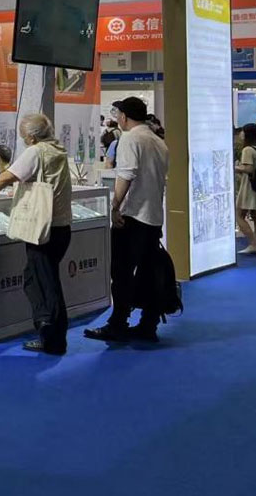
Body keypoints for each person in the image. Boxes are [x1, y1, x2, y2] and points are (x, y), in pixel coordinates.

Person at [0, 113, 73, 355]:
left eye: (23, 137)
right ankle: (53, 334)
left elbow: (7, 177)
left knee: (43, 285)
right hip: (61, 227)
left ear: (31, 137)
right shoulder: (58, 150)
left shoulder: (36, 152)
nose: (23, 140)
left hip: (42, 229)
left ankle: (52, 338)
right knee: (43, 279)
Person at [85, 97, 169, 344]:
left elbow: (127, 174)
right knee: (149, 272)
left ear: (123, 116)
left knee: (121, 272)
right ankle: (148, 325)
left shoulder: (131, 138)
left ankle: (118, 324)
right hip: (153, 216)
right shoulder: (158, 141)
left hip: (133, 215)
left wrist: (114, 206)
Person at [234, 123, 256, 255]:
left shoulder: (248, 150)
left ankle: (254, 243)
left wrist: (234, 167)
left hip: (249, 186)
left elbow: (248, 169)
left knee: (239, 215)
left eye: (243, 131)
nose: (240, 134)